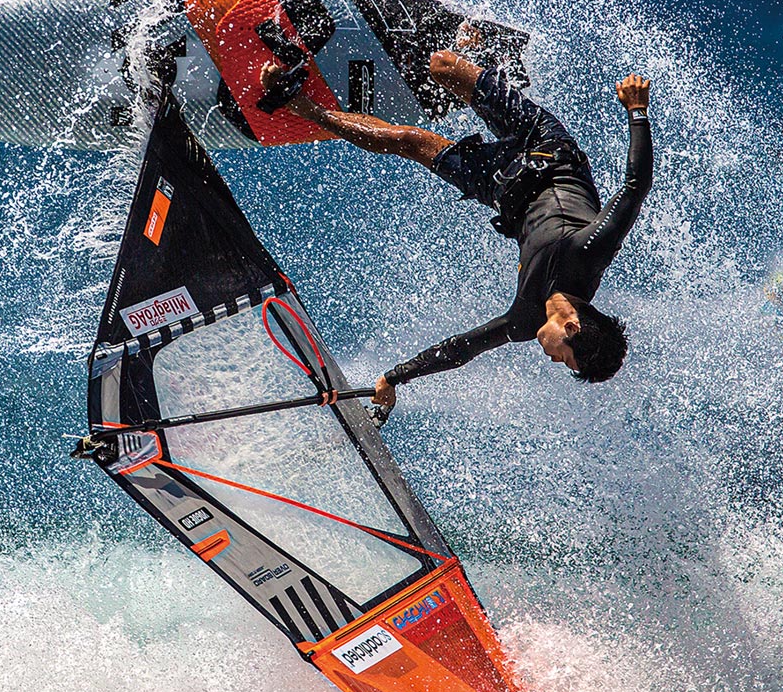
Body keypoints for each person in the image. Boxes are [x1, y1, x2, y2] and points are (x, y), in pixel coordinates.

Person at [259, 36, 652, 421]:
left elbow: (462, 349)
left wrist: (396, 377)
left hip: (501, 189)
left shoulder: (525, 318)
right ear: (572, 326)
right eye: (564, 357)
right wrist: (637, 110)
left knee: (408, 141)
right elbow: (635, 186)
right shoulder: (588, 253)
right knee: (442, 66)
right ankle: (480, 50)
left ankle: (306, 108)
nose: (552, 359)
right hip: (545, 148)